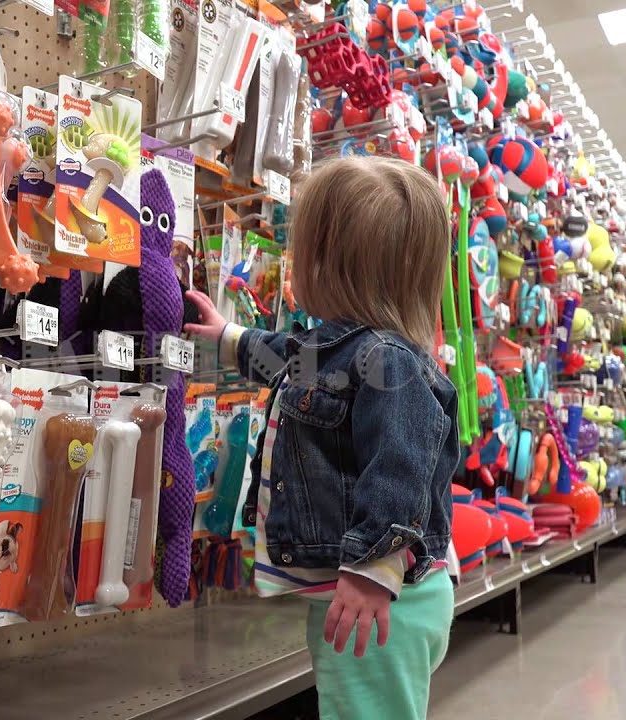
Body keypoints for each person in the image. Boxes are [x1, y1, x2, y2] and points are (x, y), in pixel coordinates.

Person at [185, 156, 460, 720]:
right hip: (373, 592)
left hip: (385, 596)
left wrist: (374, 569)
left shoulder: (388, 362)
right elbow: (285, 363)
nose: (292, 265)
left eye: (301, 252)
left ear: (331, 267)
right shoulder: (344, 351)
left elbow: (402, 468)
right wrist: (228, 336)